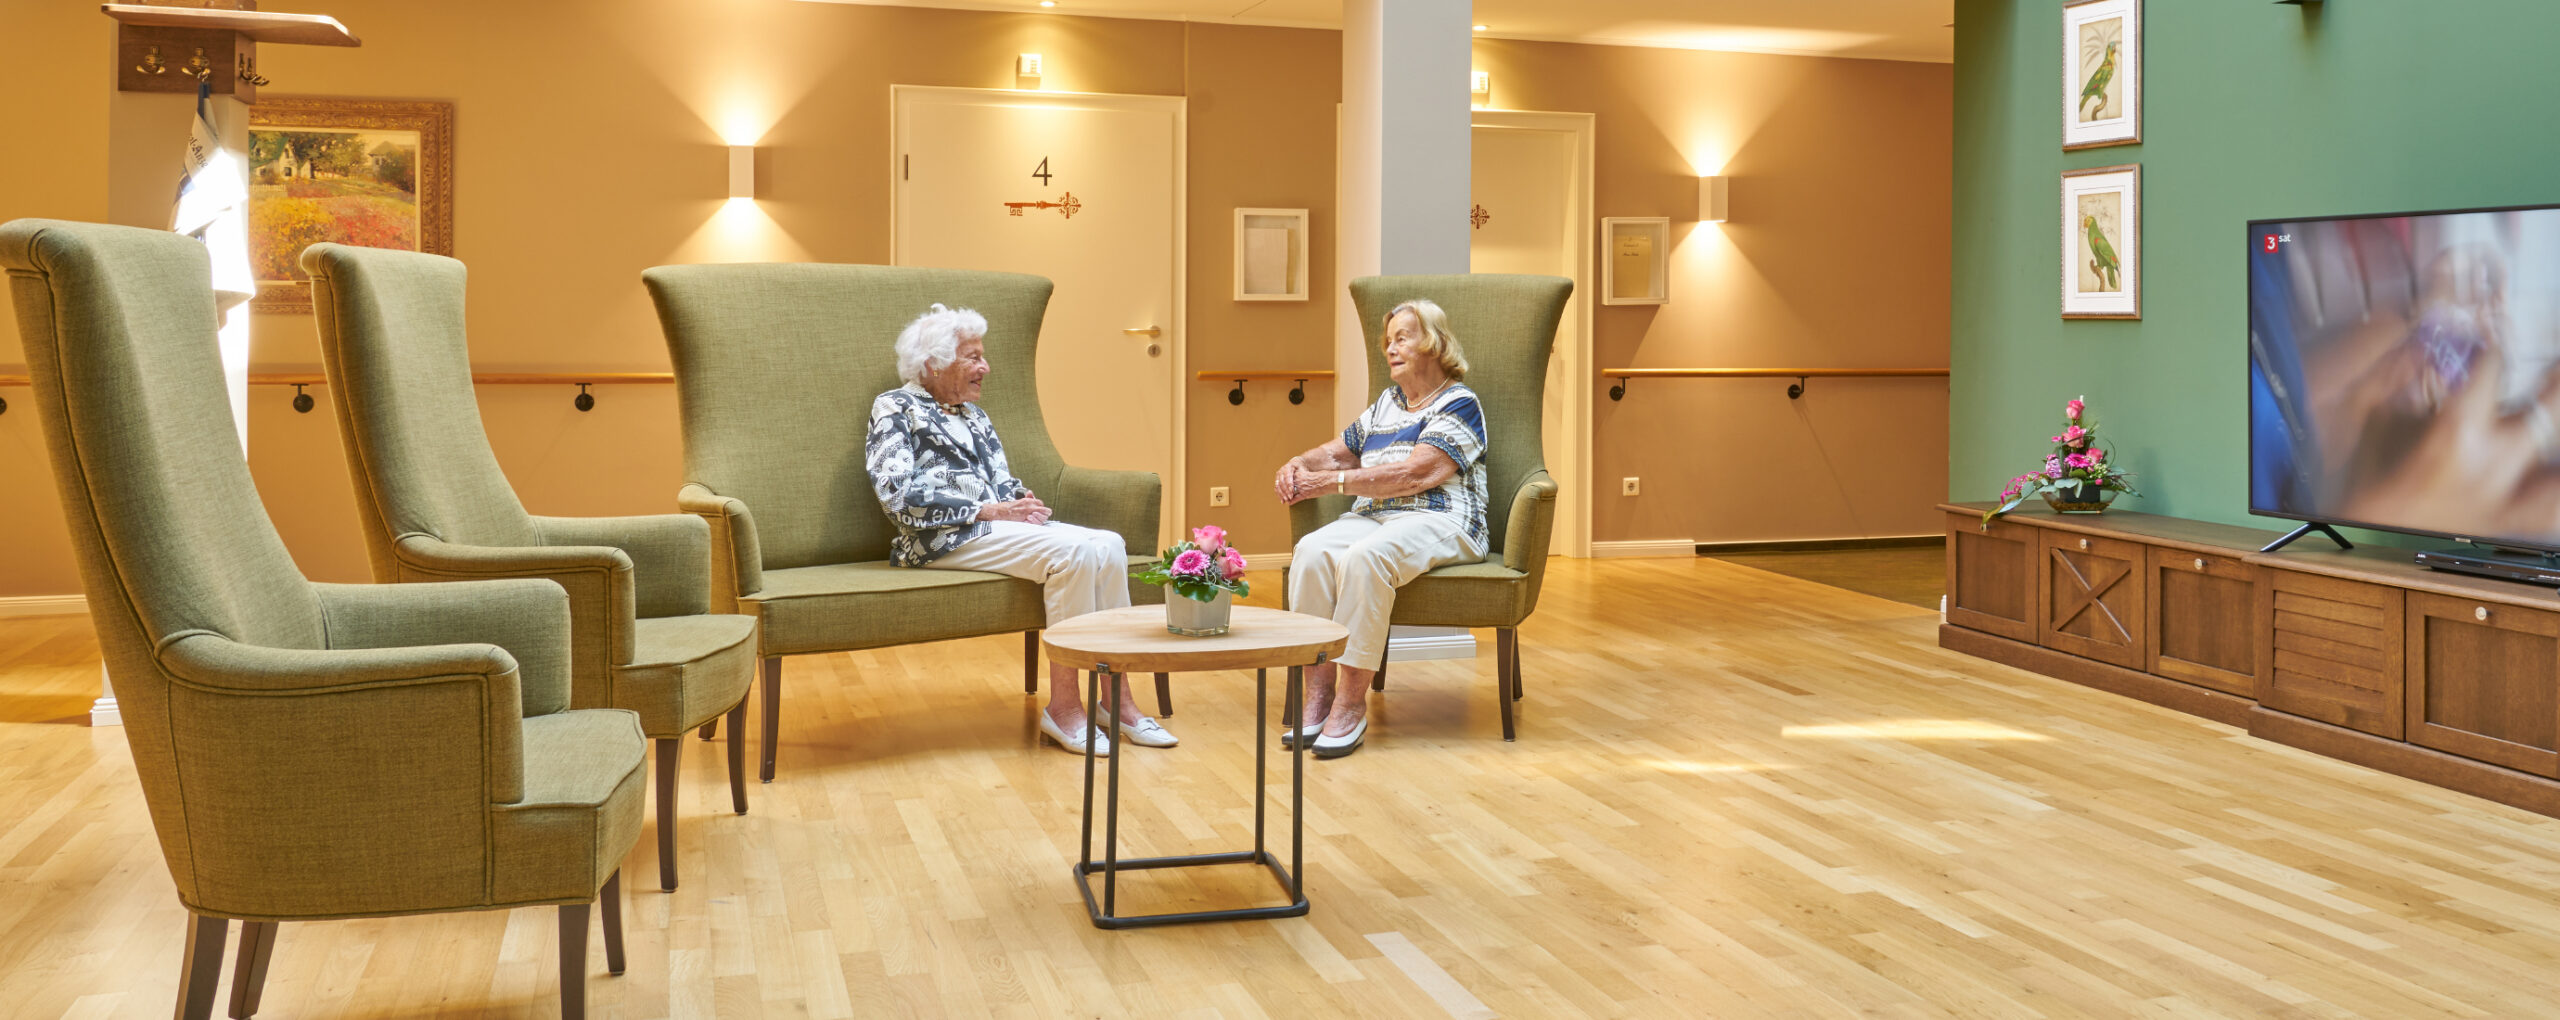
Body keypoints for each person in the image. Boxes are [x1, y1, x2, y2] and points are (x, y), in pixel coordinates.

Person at [865, 304, 1176, 756]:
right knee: (1073, 554)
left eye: (981, 356)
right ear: (931, 364)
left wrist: (1020, 503)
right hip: (941, 538)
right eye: (972, 357)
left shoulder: (975, 415)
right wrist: (988, 509)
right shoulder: (895, 407)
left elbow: (1001, 482)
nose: (984, 367)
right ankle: (1065, 709)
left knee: (1109, 544)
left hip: (991, 525)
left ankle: (1117, 701)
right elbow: (896, 494)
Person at [1271, 298, 1488, 758]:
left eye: (1402, 338)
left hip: (1442, 518)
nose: (1391, 348)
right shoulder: (1387, 405)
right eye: (1388, 341)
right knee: (1310, 552)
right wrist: (1296, 464)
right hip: (1376, 516)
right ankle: (1319, 693)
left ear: (1433, 342)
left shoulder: (1459, 403)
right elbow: (1336, 452)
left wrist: (1328, 483)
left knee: (1366, 558)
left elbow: (1417, 474)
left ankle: (1350, 705)